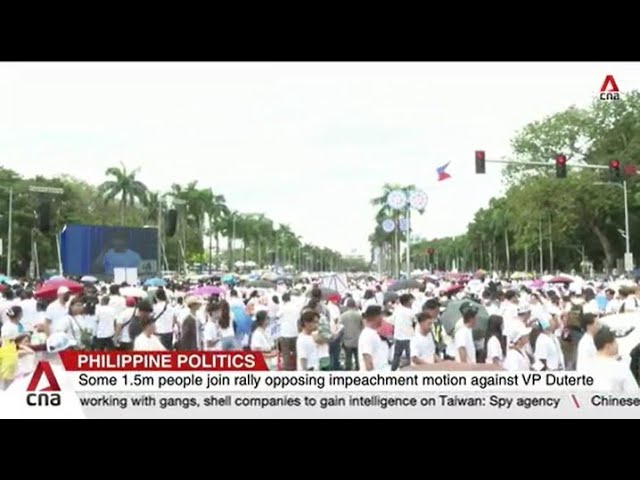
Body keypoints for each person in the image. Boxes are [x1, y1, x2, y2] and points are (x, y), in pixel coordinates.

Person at [584, 327, 639, 393]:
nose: (617, 345)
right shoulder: (620, 368)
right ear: (608, 346)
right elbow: (634, 395)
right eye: (615, 343)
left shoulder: (587, 366)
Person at [358, 305, 390, 371]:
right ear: (376, 317)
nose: (382, 319)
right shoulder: (368, 335)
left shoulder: (372, 333)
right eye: (381, 316)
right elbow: (367, 358)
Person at [391, 293, 415, 371]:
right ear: (407, 302)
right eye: (410, 301)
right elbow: (415, 322)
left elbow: (392, 322)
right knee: (410, 357)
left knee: (396, 356)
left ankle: (392, 372)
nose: (412, 302)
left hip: (398, 336)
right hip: (409, 337)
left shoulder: (397, 310)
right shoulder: (411, 312)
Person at [277, 292, 299, 371]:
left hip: (285, 333)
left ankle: (287, 370)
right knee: (296, 352)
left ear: (283, 300)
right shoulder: (296, 307)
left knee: (286, 353)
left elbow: (277, 316)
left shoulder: (283, 307)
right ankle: (297, 368)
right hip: (295, 333)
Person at [340, 298, 363, 371]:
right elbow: (362, 326)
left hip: (347, 340)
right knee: (358, 358)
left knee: (348, 358)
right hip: (357, 340)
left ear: (347, 306)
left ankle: (348, 373)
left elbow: (340, 328)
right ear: (354, 305)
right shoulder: (359, 315)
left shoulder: (343, 316)